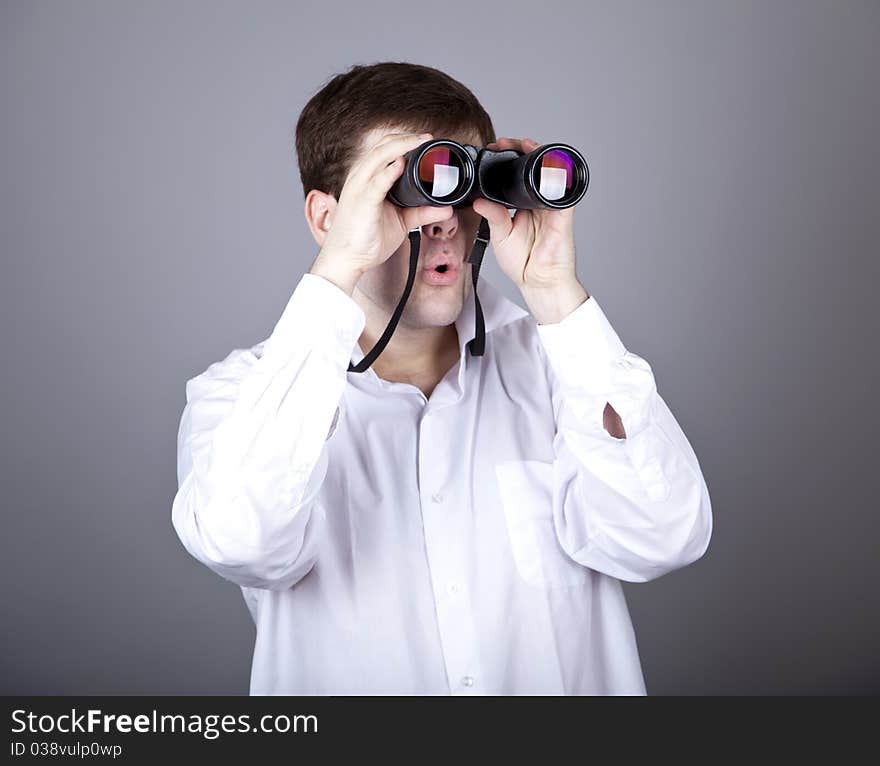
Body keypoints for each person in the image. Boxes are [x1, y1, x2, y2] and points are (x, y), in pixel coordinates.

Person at [171, 61, 713, 695]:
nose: (445, 219)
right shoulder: (240, 398)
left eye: (464, 184)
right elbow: (244, 539)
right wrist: (340, 267)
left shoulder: (565, 368)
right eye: (409, 186)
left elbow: (664, 537)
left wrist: (555, 291)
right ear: (327, 218)